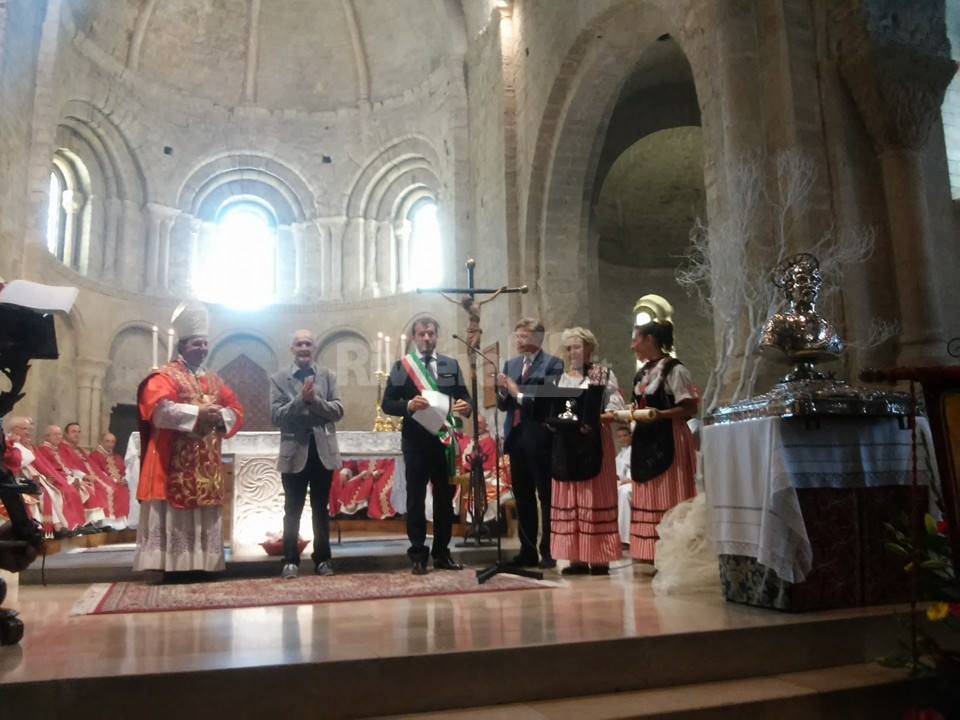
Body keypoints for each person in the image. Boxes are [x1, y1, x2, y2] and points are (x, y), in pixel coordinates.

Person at [133, 302, 244, 575]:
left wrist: (220, 417)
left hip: (205, 462)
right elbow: (158, 410)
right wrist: (199, 412)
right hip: (173, 460)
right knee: (174, 509)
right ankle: (170, 566)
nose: (203, 349)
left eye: (205, 344)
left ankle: (202, 565)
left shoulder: (214, 380)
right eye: (197, 344)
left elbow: (236, 409)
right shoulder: (165, 376)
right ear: (182, 345)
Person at [382, 314, 472, 575]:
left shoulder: (450, 364)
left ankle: (442, 553)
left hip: (443, 441)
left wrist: (466, 407)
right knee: (416, 498)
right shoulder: (402, 367)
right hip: (416, 441)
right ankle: (418, 554)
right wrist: (408, 405)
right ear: (414, 337)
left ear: (436, 336)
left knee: (444, 499)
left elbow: (463, 396)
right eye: (421, 334)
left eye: (431, 333)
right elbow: (388, 404)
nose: (426, 338)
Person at [549, 327, 625, 575]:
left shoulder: (601, 374)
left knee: (595, 495)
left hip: (593, 439)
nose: (572, 352)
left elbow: (615, 405)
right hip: (567, 443)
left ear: (590, 349)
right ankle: (577, 558)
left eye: (577, 347)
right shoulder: (561, 378)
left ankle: (600, 558)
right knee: (571, 495)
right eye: (569, 348)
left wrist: (592, 418)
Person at [270, 329, 343, 579]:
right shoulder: (279, 378)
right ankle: (290, 559)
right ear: (292, 349)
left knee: (321, 508)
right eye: (299, 344)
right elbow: (276, 416)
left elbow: (338, 410)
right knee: (293, 508)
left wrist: (315, 402)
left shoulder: (328, 376)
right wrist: (300, 400)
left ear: (314, 349)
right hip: (295, 451)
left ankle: (323, 559)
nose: (304, 348)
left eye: (308, 344)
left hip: (322, 451)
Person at [627, 320, 698, 569]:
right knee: (647, 490)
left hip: (670, 437)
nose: (632, 345)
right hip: (645, 439)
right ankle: (649, 550)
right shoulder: (643, 373)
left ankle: (674, 549)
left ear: (649, 340)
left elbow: (690, 407)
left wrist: (661, 414)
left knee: (670, 491)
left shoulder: (674, 370)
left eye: (636, 339)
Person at [497, 318, 564, 568]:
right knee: (523, 496)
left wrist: (515, 391)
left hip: (541, 437)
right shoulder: (511, 364)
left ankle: (548, 550)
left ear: (537, 339)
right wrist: (503, 391)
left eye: (524, 336)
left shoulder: (554, 365)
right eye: (517, 336)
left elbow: (546, 402)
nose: (519, 341)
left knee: (545, 495)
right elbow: (504, 405)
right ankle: (527, 551)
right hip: (516, 438)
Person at [37, 424, 106, 527]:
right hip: (55, 481)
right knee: (72, 491)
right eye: (55, 435)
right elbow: (50, 471)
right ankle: (73, 525)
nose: (59, 437)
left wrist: (75, 478)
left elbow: (68, 468)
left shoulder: (55, 449)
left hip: (66, 478)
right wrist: (71, 480)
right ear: (47, 436)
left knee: (87, 488)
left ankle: (88, 524)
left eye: (59, 434)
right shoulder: (44, 450)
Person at [62, 422, 124, 527]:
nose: (77, 434)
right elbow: (67, 467)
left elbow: (93, 466)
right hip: (79, 478)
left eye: (78, 432)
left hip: (91, 476)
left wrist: (104, 477)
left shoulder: (80, 449)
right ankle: (94, 523)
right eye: (73, 432)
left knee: (113, 487)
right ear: (66, 434)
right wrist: (84, 476)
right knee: (101, 488)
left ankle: (110, 523)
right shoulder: (63, 448)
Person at [459, 415, 511, 522]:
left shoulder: (489, 442)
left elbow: (489, 465)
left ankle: (479, 522)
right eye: (475, 423)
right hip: (468, 474)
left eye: (480, 423)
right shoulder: (473, 439)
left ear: (486, 425)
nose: (477, 426)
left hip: (485, 476)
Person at [88, 432, 131, 529]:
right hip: (103, 482)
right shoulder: (95, 455)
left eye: (112, 442)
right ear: (101, 441)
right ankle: (111, 524)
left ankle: (125, 523)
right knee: (116, 490)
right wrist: (114, 480)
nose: (110, 444)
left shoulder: (117, 457)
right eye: (107, 441)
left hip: (119, 483)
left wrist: (124, 479)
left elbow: (124, 471)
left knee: (128, 489)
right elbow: (96, 471)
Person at [614, 425, 633, 546]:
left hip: (634, 483)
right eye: (620, 436)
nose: (623, 439)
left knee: (624, 492)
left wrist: (630, 480)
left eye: (625, 435)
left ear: (630, 435)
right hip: (622, 483)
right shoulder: (620, 455)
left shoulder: (635, 450)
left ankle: (625, 538)